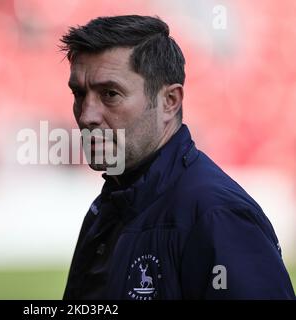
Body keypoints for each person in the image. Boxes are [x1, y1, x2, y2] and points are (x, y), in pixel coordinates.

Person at [60, 15, 295, 300]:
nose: (87, 116)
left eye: (110, 94)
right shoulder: (108, 207)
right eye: (79, 94)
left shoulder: (217, 216)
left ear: (169, 102)